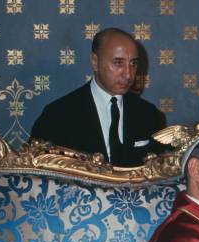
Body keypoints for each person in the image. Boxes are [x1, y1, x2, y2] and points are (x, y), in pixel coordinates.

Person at [31, 27, 166, 167]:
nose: (128, 74)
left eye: (133, 63)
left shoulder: (149, 114)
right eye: (118, 63)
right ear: (95, 61)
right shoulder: (57, 115)